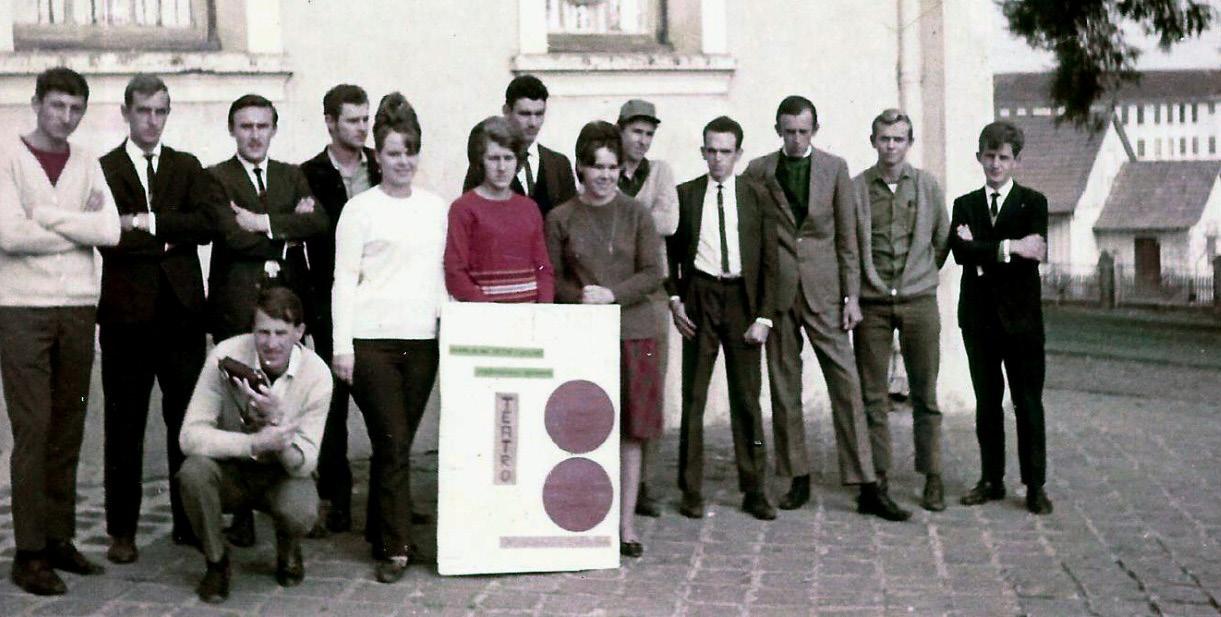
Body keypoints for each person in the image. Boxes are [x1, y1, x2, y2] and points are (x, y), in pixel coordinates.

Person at [741, 96, 909, 521]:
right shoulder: (759, 171)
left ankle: (866, 483)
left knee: (846, 385)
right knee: (784, 387)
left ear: (815, 130)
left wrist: (852, 296)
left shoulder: (834, 169)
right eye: (789, 132)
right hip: (778, 294)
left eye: (804, 131)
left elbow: (847, 238)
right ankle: (796, 476)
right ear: (778, 130)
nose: (796, 139)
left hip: (825, 291)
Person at [0, 67, 120, 596]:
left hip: (77, 307)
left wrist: (46, 216)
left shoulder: (88, 160)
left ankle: (58, 538)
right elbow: (9, 235)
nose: (65, 117)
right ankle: (29, 554)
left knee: (68, 427)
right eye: (56, 106)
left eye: (75, 109)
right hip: (22, 308)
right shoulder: (7, 156)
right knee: (33, 428)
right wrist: (76, 225)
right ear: (36, 104)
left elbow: (110, 230)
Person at [97, 73, 218, 563]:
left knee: (186, 419)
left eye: (160, 111)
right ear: (126, 113)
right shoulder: (103, 169)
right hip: (125, 317)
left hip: (182, 316)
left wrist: (146, 223)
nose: (152, 121)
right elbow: (107, 236)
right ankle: (122, 531)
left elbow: (206, 226)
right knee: (124, 423)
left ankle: (188, 522)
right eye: (143, 111)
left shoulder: (186, 166)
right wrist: (169, 238)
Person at [332, 92, 448, 583]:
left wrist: (447, 329)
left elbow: (441, 276)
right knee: (394, 440)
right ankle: (396, 548)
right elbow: (344, 279)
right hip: (371, 342)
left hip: (422, 341)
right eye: (394, 153)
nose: (403, 161)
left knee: (394, 444)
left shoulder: (435, 208)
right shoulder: (360, 210)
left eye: (410, 152)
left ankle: (379, 529)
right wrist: (341, 346)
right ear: (377, 156)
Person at [208, 93, 327, 546]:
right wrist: (285, 228)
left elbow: (318, 223)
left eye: (262, 126)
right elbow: (230, 237)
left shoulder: (291, 175)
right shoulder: (217, 177)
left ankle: (290, 506)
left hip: (288, 306)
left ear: (274, 130)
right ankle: (241, 511)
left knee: (285, 404)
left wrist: (260, 222)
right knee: (238, 406)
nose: (254, 135)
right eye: (246, 126)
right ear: (232, 131)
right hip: (238, 307)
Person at [546, 120, 663, 558]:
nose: (606, 176)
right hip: (583, 337)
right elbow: (551, 277)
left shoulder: (637, 214)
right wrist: (579, 296)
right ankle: (582, 518)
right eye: (597, 167)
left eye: (613, 167)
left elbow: (653, 273)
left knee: (631, 430)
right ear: (580, 167)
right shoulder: (560, 218)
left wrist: (613, 295)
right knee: (584, 428)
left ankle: (625, 525)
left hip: (634, 333)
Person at [177, 287, 332, 603]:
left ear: (299, 332)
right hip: (233, 468)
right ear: (252, 329)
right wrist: (253, 443)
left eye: (281, 333)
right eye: (263, 332)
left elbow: (304, 463)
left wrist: (276, 424)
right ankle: (216, 562)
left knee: (301, 510)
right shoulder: (225, 355)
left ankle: (288, 546)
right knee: (193, 473)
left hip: (281, 474)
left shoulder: (317, 375)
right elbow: (189, 436)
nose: (271, 343)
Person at [667, 116, 778, 521]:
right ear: (703, 152)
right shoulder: (686, 194)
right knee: (694, 396)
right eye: (711, 151)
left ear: (738, 154)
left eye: (725, 152)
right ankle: (690, 489)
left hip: (742, 299)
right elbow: (669, 253)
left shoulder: (756, 195)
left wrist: (764, 316)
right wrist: (675, 298)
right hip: (700, 295)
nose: (717, 159)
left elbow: (771, 260)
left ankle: (755, 489)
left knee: (747, 398)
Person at [949, 120, 1052, 515]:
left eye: (1004, 157)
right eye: (989, 156)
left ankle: (1035, 485)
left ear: (1016, 161)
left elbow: (1034, 255)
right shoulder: (965, 205)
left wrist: (984, 249)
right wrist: (1010, 247)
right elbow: (960, 253)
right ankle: (991, 479)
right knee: (987, 402)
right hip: (979, 320)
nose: (995, 164)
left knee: (1028, 403)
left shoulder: (1033, 203)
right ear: (979, 157)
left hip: (1022, 322)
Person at [850, 109, 950, 512]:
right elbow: (849, 246)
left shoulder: (927, 186)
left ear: (909, 143)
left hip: (918, 301)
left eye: (898, 139)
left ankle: (933, 476)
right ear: (873, 141)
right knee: (872, 396)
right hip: (872, 304)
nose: (891, 146)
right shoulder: (857, 188)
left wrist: (917, 278)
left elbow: (941, 240)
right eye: (884, 139)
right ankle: (878, 476)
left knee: (925, 393)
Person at [299, 84, 382, 536]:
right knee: (332, 407)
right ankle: (336, 499)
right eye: (353, 120)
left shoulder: (381, 164)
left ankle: (387, 500)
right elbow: (304, 244)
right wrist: (311, 310)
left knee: (381, 404)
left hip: (379, 300)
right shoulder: (309, 174)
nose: (362, 128)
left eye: (366, 119)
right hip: (332, 301)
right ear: (330, 122)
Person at [616, 99, 679, 519]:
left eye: (648, 134)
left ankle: (644, 484)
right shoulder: (605, 168)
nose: (642, 141)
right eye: (636, 132)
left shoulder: (660, 172)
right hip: (611, 293)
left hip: (650, 295)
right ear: (620, 130)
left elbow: (669, 222)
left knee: (648, 389)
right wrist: (644, 217)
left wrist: (620, 219)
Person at [445, 116, 554, 303]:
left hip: (530, 315)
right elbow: (455, 273)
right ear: (480, 161)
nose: (502, 167)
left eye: (508, 158)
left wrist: (543, 309)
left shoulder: (529, 208)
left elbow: (543, 268)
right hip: (486, 316)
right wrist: (491, 312)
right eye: (494, 158)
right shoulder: (463, 209)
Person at [462, 74, 576, 216]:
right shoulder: (487, 164)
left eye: (539, 114)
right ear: (506, 111)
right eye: (525, 114)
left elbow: (569, 220)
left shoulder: (559, 165)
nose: (533, 123)